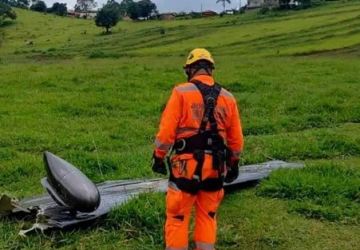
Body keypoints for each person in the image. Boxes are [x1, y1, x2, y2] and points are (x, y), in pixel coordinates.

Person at [151, 48, 244, 250]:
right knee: (207, 215)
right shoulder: (228, 97)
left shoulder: (181, 92)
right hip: (215, 167)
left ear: (190, 70)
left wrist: (158, 157)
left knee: (177, 217)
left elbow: (166, 133)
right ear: (210, 69)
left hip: (186, 166)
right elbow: (236, 140)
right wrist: (233, 163)